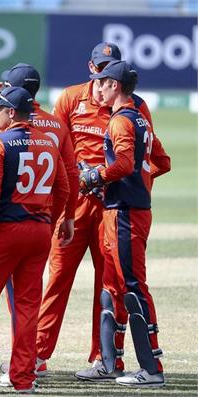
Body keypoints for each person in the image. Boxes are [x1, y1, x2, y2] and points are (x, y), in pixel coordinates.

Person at [38, 42, 155, 378]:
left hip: (113, 208)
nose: (105, 75)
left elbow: (148, 160)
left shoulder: (134, 107)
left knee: (109, 286)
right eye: (101, 67)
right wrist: (76, 178)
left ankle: (101, 357)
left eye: (111, 68)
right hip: (74, 205)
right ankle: (38, 355)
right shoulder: (71, 98)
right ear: (91, 68)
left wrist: (132, 193)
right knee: (57, 279)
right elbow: (54, 148)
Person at [0, 87, 69, 393]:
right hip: (39, 232)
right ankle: (23, 379)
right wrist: (49, 219)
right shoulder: (49, 142)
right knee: (28, 306)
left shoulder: (0, 143)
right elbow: (64, 190)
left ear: (10, 113)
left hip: (7, 230)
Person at [79, 60, 170, 388]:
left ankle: (151, 369)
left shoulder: (120, 122)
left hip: (125, 214)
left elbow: (123, 164)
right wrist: (134, 182)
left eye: (101, 83)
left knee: (133, 290)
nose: (97, 88)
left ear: (114, 86)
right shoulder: (140, 119)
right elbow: (161, 163)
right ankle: (109, 362)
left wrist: (95, 176)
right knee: (112, 288)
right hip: (121, 209)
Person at [0, 63, 77, 381]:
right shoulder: (56, 126)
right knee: (28, 298)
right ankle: (29, 363)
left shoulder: (1, 124)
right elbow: (70, 175)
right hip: (44, 223)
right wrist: (66, 217)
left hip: (5, 223)